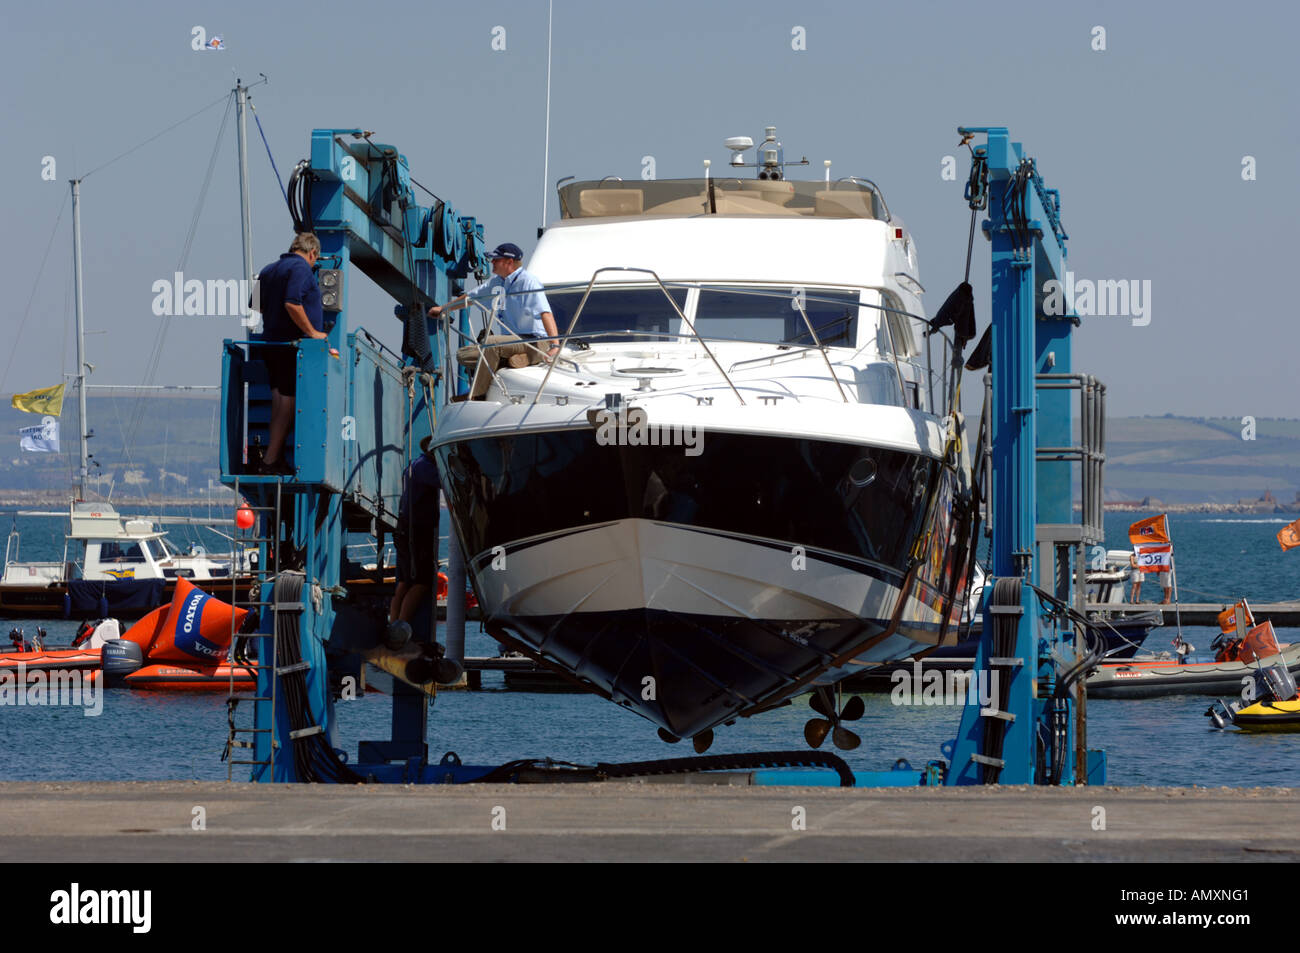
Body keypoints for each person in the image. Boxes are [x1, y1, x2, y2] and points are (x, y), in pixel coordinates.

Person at [427, 242, 561, 400]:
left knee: (491, 343)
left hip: (536, 342)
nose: (492, 262)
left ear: (509, 262)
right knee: (464, 355)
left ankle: (477, 395)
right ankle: (514, 361)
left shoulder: (529, 281)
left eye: (496, 259)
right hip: (512, 342)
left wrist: (554, 345)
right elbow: (471, 297)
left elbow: (545, 313)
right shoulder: (497, 282)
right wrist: (444, 308)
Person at [252, 233, 327, 475]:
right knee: (287, 402)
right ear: (312, 253)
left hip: (271, 345)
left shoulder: (268, 269)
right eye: (315, 259)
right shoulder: (302, 269)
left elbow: (255, 305)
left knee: (279, 399)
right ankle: (271, 460)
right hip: (290, 347)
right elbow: (292, 302)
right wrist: (313, 332)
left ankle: (274, 457)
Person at [387, 437, 443, 648]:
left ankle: (395, 628)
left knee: (404, 581)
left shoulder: (415, 465)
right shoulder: (425, 468)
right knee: (421, 582)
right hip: (416, 531)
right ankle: (402, 628)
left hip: (406, 528)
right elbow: (446, 480)